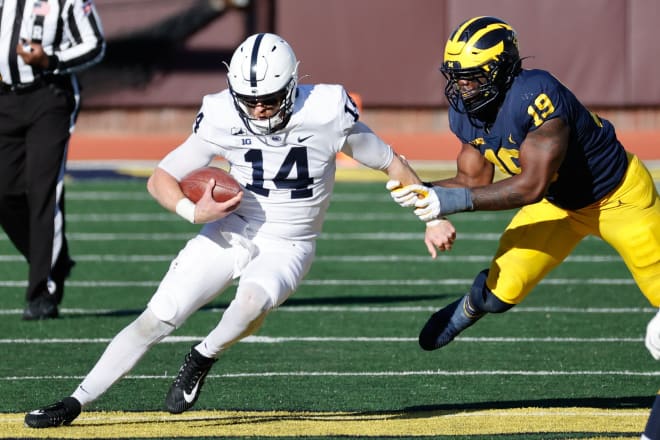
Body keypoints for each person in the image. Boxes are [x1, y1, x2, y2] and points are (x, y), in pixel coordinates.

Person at [23, 32, 456, 428]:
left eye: (268, 98)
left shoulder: (325, 112)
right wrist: (194, 213)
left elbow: (390, 162)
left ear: (291, 86)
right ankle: (75, 401)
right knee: (156, 318)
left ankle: (203, 355)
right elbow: (162, 178)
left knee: (251, 300)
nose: (259, 109)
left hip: (290, 242)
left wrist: (432, 216)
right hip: (230, 229)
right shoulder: (220, 115)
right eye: (249, 99)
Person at [388, 16, 660, 436]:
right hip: (557, 205)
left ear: (502, 68)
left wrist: (451, 201)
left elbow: (530, 185)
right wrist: (423, 192)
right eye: (457, 77)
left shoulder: (536, 93)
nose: (464, 87)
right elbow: (474, 181)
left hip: (619, 199)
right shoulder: (466, 109)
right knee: (501, 291)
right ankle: (471, 307)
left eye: (474, 76)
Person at [0, 0, 105, 320]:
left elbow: (95, 44)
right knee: (4, 192)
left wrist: (50, 59)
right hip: (4, 98)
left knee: (42, 190)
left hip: (49, 97)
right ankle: (52, 260)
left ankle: (42, 292)